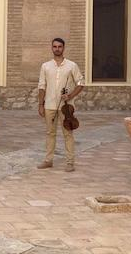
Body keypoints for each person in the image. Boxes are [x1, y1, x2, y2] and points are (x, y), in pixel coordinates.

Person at [37, 38, 85, 172]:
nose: (57, 49)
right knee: (50, 133)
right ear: (51, 48)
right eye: (55, 46)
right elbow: (41, 86)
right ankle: (48, 160)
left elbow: (81, 83)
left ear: (63, 48)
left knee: (68, 133)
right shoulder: (45, 66)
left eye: (59, 46)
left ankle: (70, 162)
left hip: (66, 107)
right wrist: (41, 104)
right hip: (49, 105)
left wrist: (70, 96)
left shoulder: (72, 66)